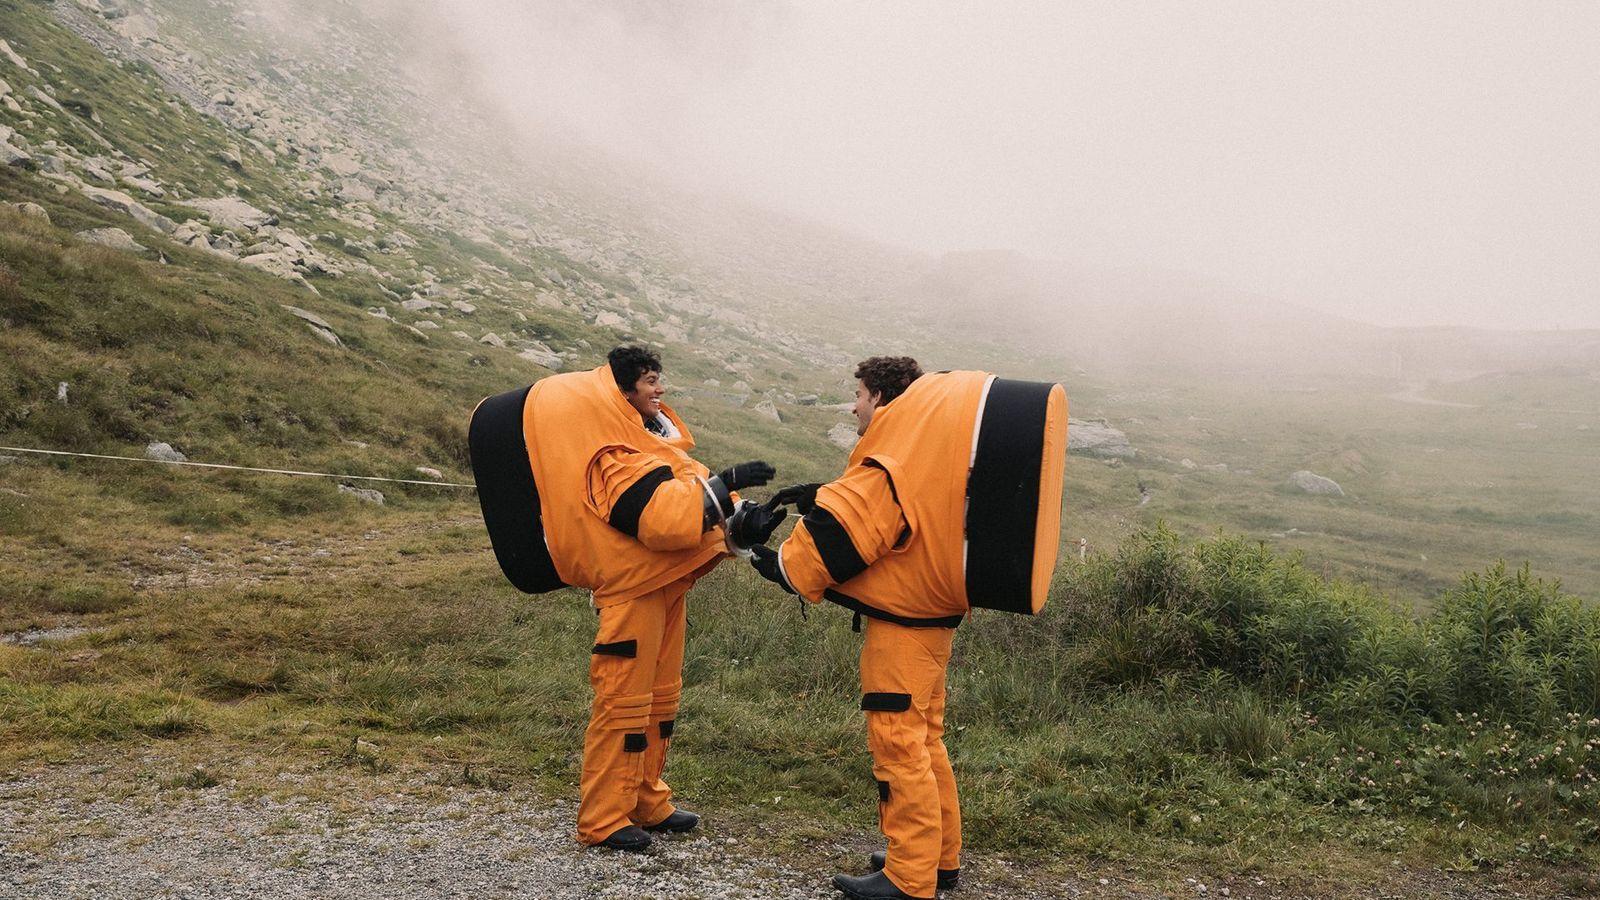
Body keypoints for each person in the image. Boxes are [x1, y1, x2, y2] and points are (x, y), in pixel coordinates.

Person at [519, 345, 778, 852]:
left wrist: (746, 520)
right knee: (624, 705)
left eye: (660, 380)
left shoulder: (657, 447)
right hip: (632, 595)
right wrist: (723, 483)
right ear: (623, 392)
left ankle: (645, 799)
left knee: (660, 701)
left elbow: (695, 505)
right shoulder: (612, 458)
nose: (660, 390)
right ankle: (603, 817)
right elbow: (662, 522)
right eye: (650, 381)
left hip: (665, 588)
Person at [751, 356, 963, 900]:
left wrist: (769, 561)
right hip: (934, 618)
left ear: (884, 401)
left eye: (861, 395)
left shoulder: (889, 459)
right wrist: (821, 495)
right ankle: (937, 859)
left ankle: (908, 878)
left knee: (898, 744)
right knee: (925, 738)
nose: (854, 405)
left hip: (902, 625)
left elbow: (839, 542)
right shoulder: (929, 452)